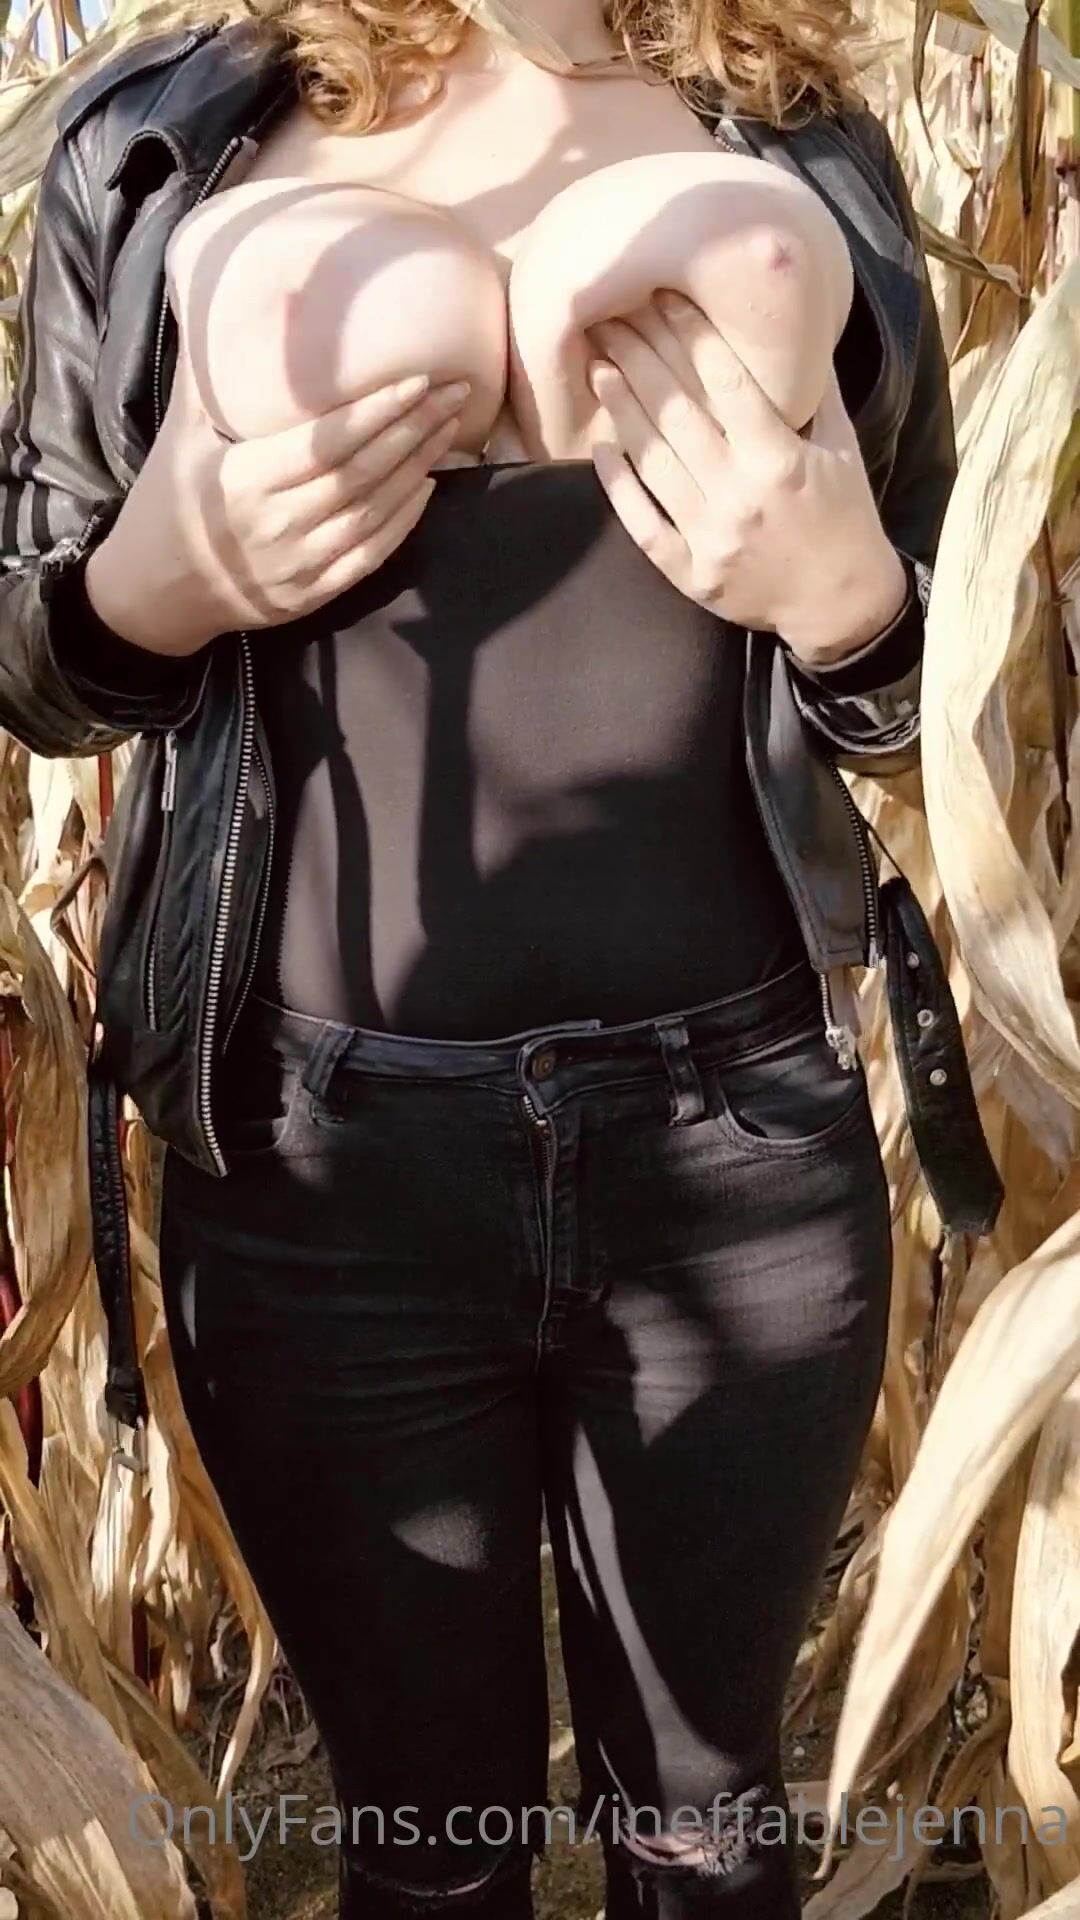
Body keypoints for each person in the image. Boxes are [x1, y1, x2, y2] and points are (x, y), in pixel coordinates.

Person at [0, 1, 1002, 1915]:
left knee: (707, 1836)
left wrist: (849, 600)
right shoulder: (162, 140)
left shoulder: (791, 130)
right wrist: (154, 585)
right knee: (423, 1847)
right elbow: (31, 656)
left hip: (737, 1150)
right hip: (311, 1170)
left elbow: (942, 692)